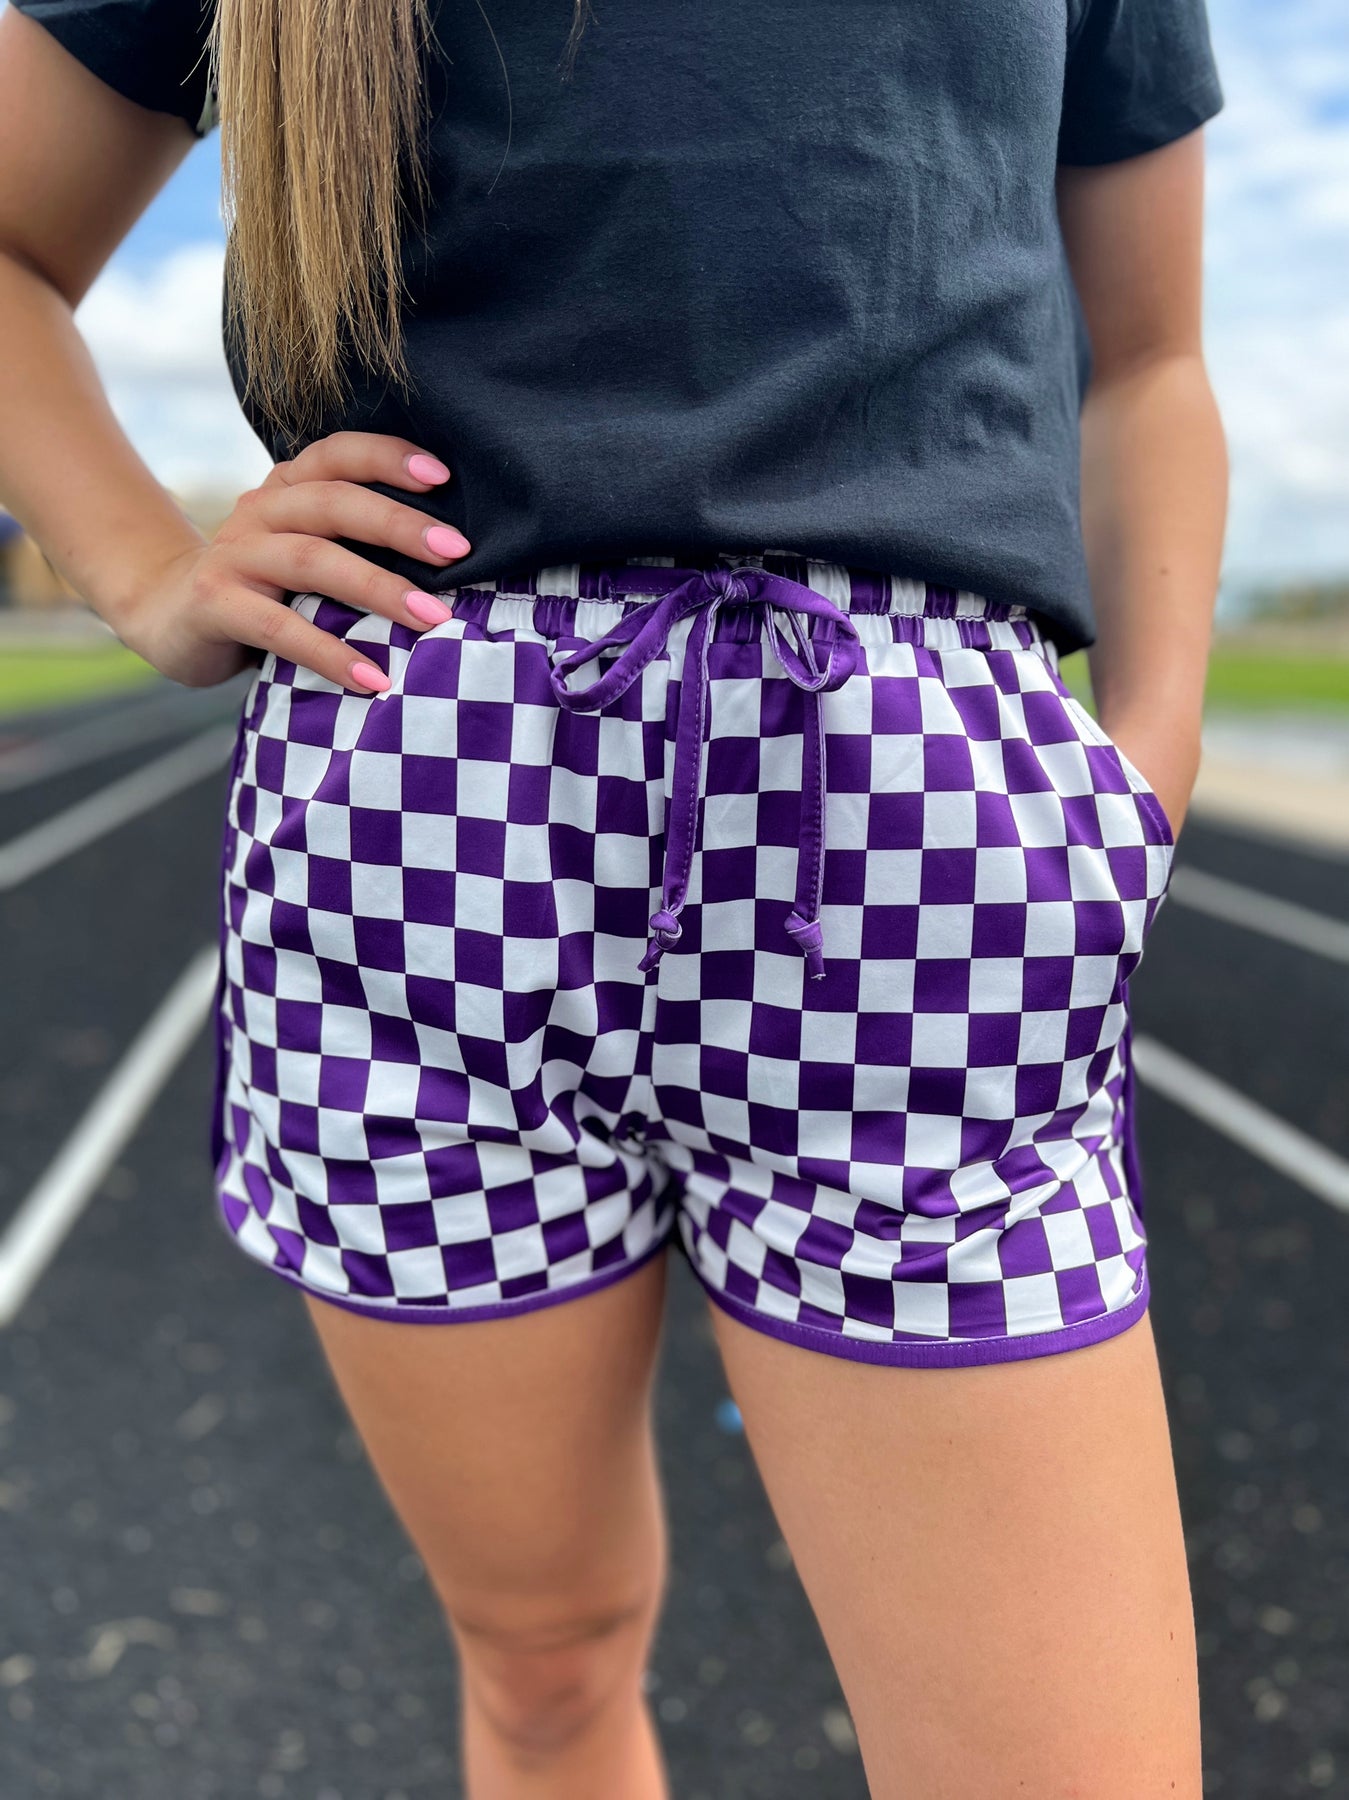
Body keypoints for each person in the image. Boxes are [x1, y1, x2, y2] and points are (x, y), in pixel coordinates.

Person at [0, 0, 1228, 1792]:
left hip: (904, 853)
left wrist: (1151, 755)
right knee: (545, 1666)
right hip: (416, 842)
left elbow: (1150, 358)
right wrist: (142, 569)